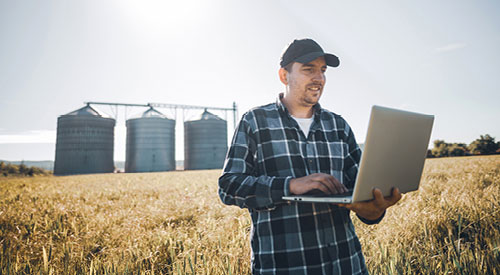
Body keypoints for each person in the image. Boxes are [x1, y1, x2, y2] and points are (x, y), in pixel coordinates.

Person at [218, 38, 402, 275]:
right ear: (284, 76)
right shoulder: (254, 122)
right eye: (308, 70)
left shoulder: (338, 126)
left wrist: (374, 210)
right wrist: (291, 186)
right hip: (285, 267)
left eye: (323, 70)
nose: (319, 78)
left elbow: (362, 192)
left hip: (346, 265)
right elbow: (228, 186)